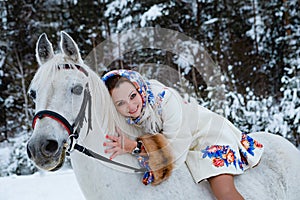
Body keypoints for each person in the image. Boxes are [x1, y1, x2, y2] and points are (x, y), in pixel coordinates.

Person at [102, 69, 264, 199]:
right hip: (187, 146)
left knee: (223, 191)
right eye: (120, 103)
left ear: (139, 89)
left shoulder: (165, 100)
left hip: (206, 135)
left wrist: (136, 147)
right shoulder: (130, 118)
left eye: (132, 96)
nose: (130, 106)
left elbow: (176, 149)